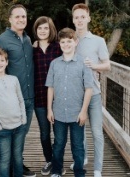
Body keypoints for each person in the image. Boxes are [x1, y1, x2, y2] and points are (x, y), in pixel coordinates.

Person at [0, 4, 36, 177]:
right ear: (9, 19)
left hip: (29, 98)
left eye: (23, 16)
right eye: (17, 17)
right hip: (11, 101)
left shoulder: (27, 39)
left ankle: (18, 164)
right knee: (9, 139)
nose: (20, 19)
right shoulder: (1, 41)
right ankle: (9, 170)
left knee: (21, 137)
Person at [46, 27, 94, 177]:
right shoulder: (54, 63)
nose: (66, 44)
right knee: (59, 144)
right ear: (59, 44)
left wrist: (84, 111)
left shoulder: (83, 63)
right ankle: (56, 171)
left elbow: (89, 89)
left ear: (75, 42)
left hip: (77, 114)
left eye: (69, 41)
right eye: (63, 42)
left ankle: (79, 172)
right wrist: (49, 109)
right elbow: (51, 88)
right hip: (58, 113)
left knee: (78, 146)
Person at [70, 3, 111, 177]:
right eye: (76, 17)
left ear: (88, 18)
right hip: (75, 94)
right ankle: (83, 158)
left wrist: (94, 66)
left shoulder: (98, 41)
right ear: (73, 20)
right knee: (80, 130)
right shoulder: (69, 40)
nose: (80, 20)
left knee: (96, 132)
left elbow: (107, 65)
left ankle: (97, 168)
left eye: (82, 16)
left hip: (93, 94)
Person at [0, 48, 27, 177]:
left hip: (19, 126)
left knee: (18, 157)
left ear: (7, 62)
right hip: (3, 129)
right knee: (5, 159)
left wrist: (23, 118)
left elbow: (20, 100)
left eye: (2, 60)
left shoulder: (14, 79)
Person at [32, 16, 63, 176]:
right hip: (40, 98)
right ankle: (49, 160)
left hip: (58, 98)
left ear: (51, 30)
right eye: (39, 28)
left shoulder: (58, 48)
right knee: (44, 133)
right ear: (36, 30)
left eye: (46, 28)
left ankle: (58, 163)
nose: (43, 31)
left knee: (59, 134)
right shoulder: (32, 49)